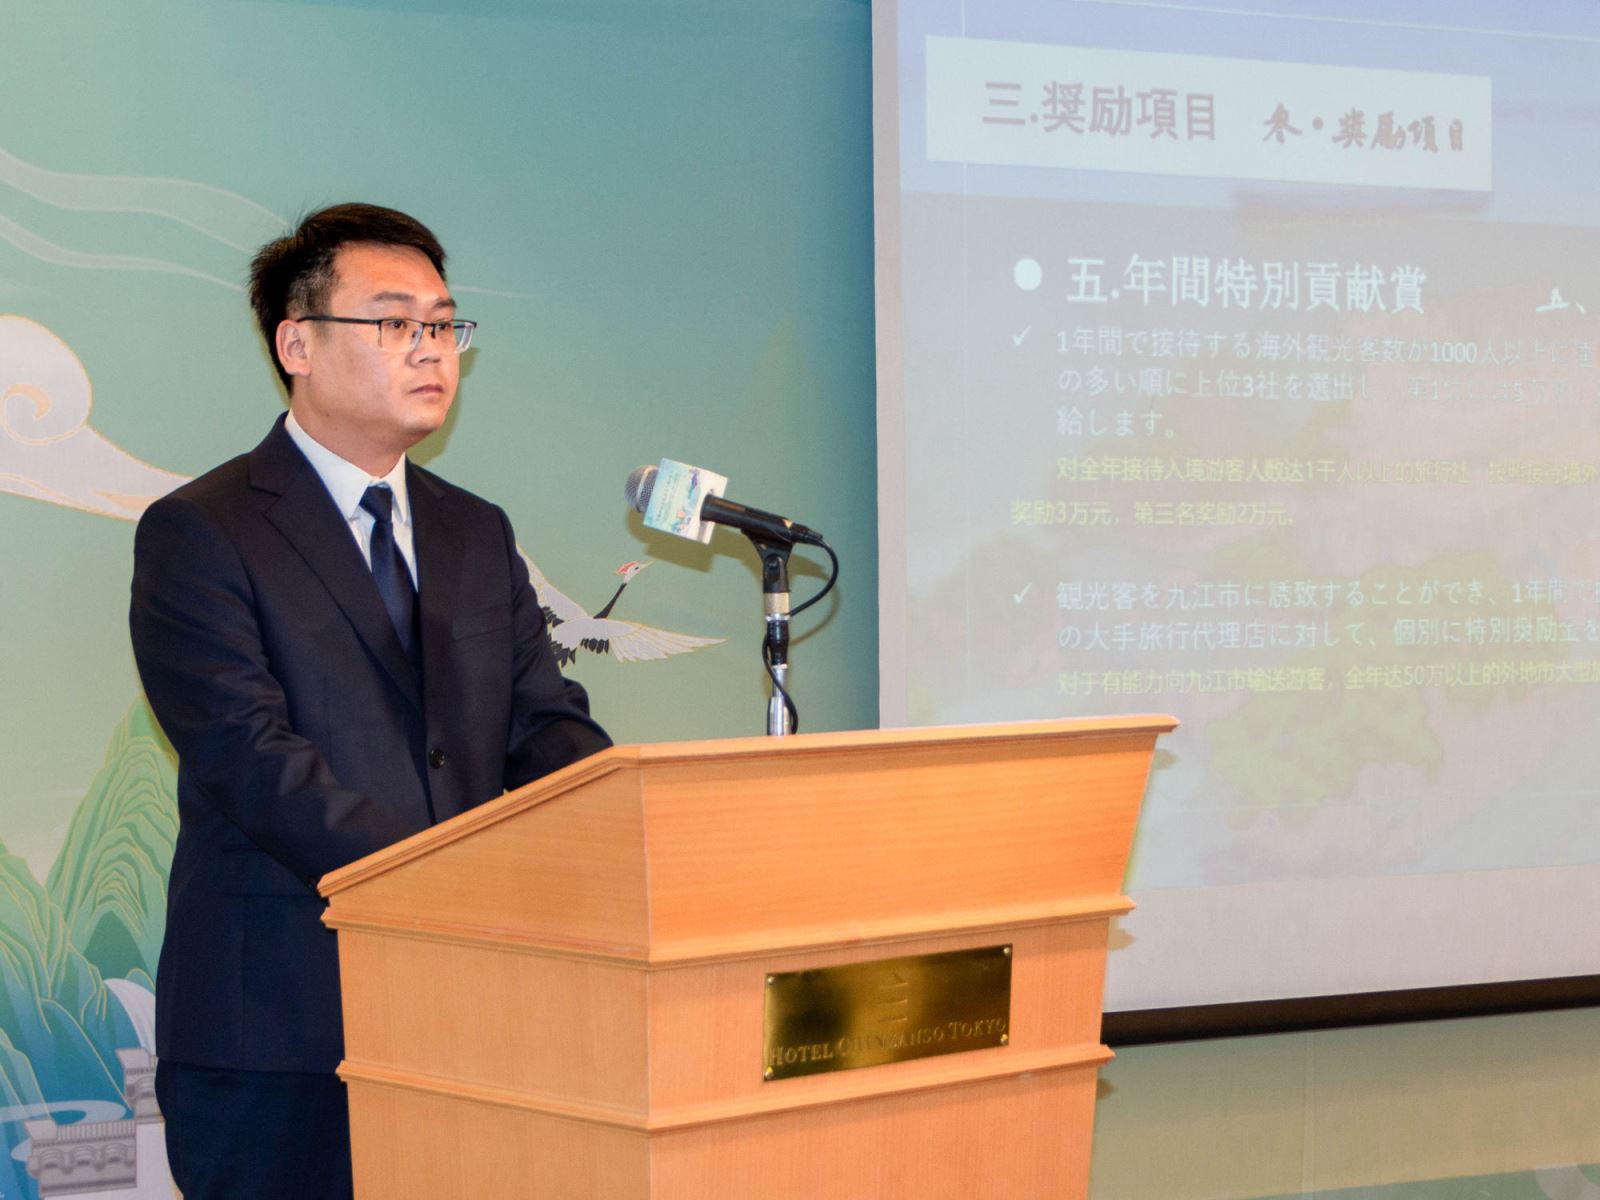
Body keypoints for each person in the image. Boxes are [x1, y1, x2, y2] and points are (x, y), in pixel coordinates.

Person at [129, 203, 611, 1199]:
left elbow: (541, 724)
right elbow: (251, 759)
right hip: (281, 1030)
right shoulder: (203, 532)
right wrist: (447, 882)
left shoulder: (475, 531)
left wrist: (616, 815)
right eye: (394, 322)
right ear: (296, 345)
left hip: (468, 1019)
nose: (431, 349)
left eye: (443, 324)